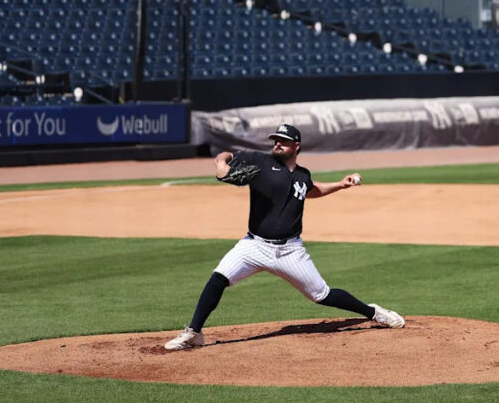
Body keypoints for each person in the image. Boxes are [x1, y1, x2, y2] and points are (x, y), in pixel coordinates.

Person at [164, 123, 405, 350]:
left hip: (290, 251)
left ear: (296, 146)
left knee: (322, 295)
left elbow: (310, 191)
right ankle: (194, 332)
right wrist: (222, 166)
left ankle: (373, 312)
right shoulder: (258, 160)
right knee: (218, 278)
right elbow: (224, 155)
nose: (278, 144)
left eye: (284, 141)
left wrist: (340, 185)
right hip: (253, 246)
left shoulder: (302, 174)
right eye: (276, 140)